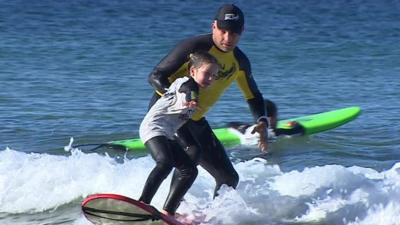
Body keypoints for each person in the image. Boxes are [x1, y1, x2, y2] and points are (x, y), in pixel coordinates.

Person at [146, 3, 269, 214]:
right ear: (214, 26)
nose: (228, 38)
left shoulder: (239, 62)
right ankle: (168, 211)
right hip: (169, 114)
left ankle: (212, 216)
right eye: (223, 31)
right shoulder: (194, 47)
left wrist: (262, 121)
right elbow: (156, 76)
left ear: (242, 32)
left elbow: (254, 95)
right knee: (191, 153)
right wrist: (176, 96)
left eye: (234, 33)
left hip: (194, 119)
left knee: (228, 178)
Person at [139, 52, 219, 215]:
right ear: (192, 72)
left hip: (166, 133)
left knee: (189, 170)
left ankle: (168, 211)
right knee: (165, 163)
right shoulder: (185, 83)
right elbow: (188, 89)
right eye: (207, 74)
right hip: (153, 127)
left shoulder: (195, 88)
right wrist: (193, 98)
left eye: (214, 76)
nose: (210, 79)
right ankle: (142, 203)